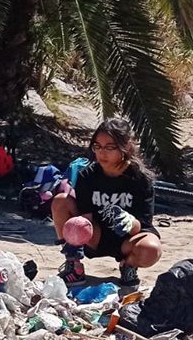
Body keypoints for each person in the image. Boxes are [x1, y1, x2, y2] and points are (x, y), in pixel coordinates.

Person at [51, 118, 162, 287]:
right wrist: (77, 236)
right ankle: (74, 265)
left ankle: (129, 267)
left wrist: (129, 222)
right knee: (60, 201)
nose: (102, 153)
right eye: (97, 146)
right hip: (95, 234)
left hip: (127, 239)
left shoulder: (140, 179)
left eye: (110, 147)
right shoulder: (87, 176)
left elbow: (144, 223)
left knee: (152, 248)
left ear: (126, 147)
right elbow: (85, 217)